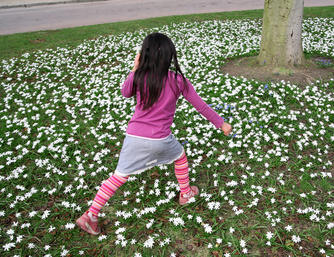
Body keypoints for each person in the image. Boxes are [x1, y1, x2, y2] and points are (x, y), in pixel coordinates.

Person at [76, 32, 232, 235]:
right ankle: (185, 193)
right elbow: (200, 106)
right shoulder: (178, 80)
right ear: (169, 56)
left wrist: (135, 69)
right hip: (160, 138)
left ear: (144, 55)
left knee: (118, 176)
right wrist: (221, 124)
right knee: (180, 157)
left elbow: (125, 92)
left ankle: (91, 214)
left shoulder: (139, 77)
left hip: (134, 137)